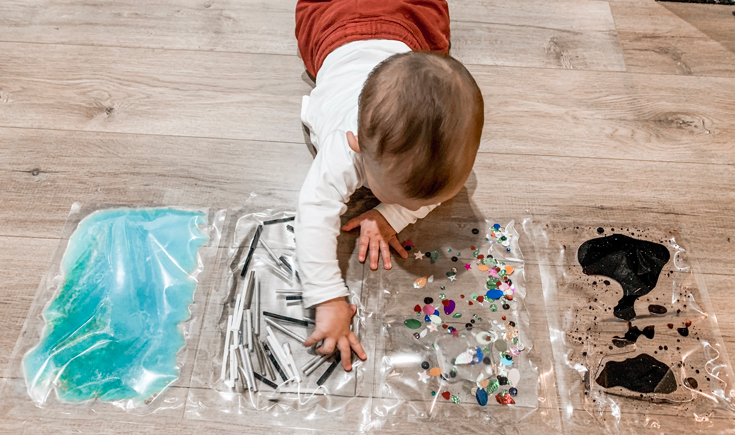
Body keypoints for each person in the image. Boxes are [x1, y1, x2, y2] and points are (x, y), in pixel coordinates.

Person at [294, 0, 484, 370]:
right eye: (398, 198)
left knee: (434, 60)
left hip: (409, 25)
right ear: (357, 149)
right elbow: (313, 213)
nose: (413, 208)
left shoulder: (439, 152)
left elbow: (436, 190)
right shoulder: (341, 147)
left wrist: (390, 214)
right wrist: (328, 297)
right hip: (334, 20)